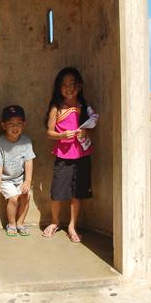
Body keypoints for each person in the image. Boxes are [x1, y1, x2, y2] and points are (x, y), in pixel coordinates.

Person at [42, 67, 97, 243]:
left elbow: (92, 128)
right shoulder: (56, 108)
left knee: (77, 193)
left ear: (79, 86)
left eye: (72, 84)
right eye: (64, 85)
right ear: (58, 87)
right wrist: (61, 135)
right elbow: (49, 132)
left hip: (82, 156)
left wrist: (84, 134)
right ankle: (55, 222)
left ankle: (72, 226)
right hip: (63, 157)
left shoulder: (85, 108)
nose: (69, 88)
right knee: (57, 193)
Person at [0, 105, 36, 237]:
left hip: (20, 178)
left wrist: (27, 181)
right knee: (14, 199)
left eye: (18, 124)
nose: (15, 127)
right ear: (3, 125)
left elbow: (29, 161)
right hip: (6, 180)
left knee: (26, 197)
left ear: (24, 125)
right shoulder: (0, 144)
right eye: (10, 124)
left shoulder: (26, 142)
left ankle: (20, 223)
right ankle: (11, 224)